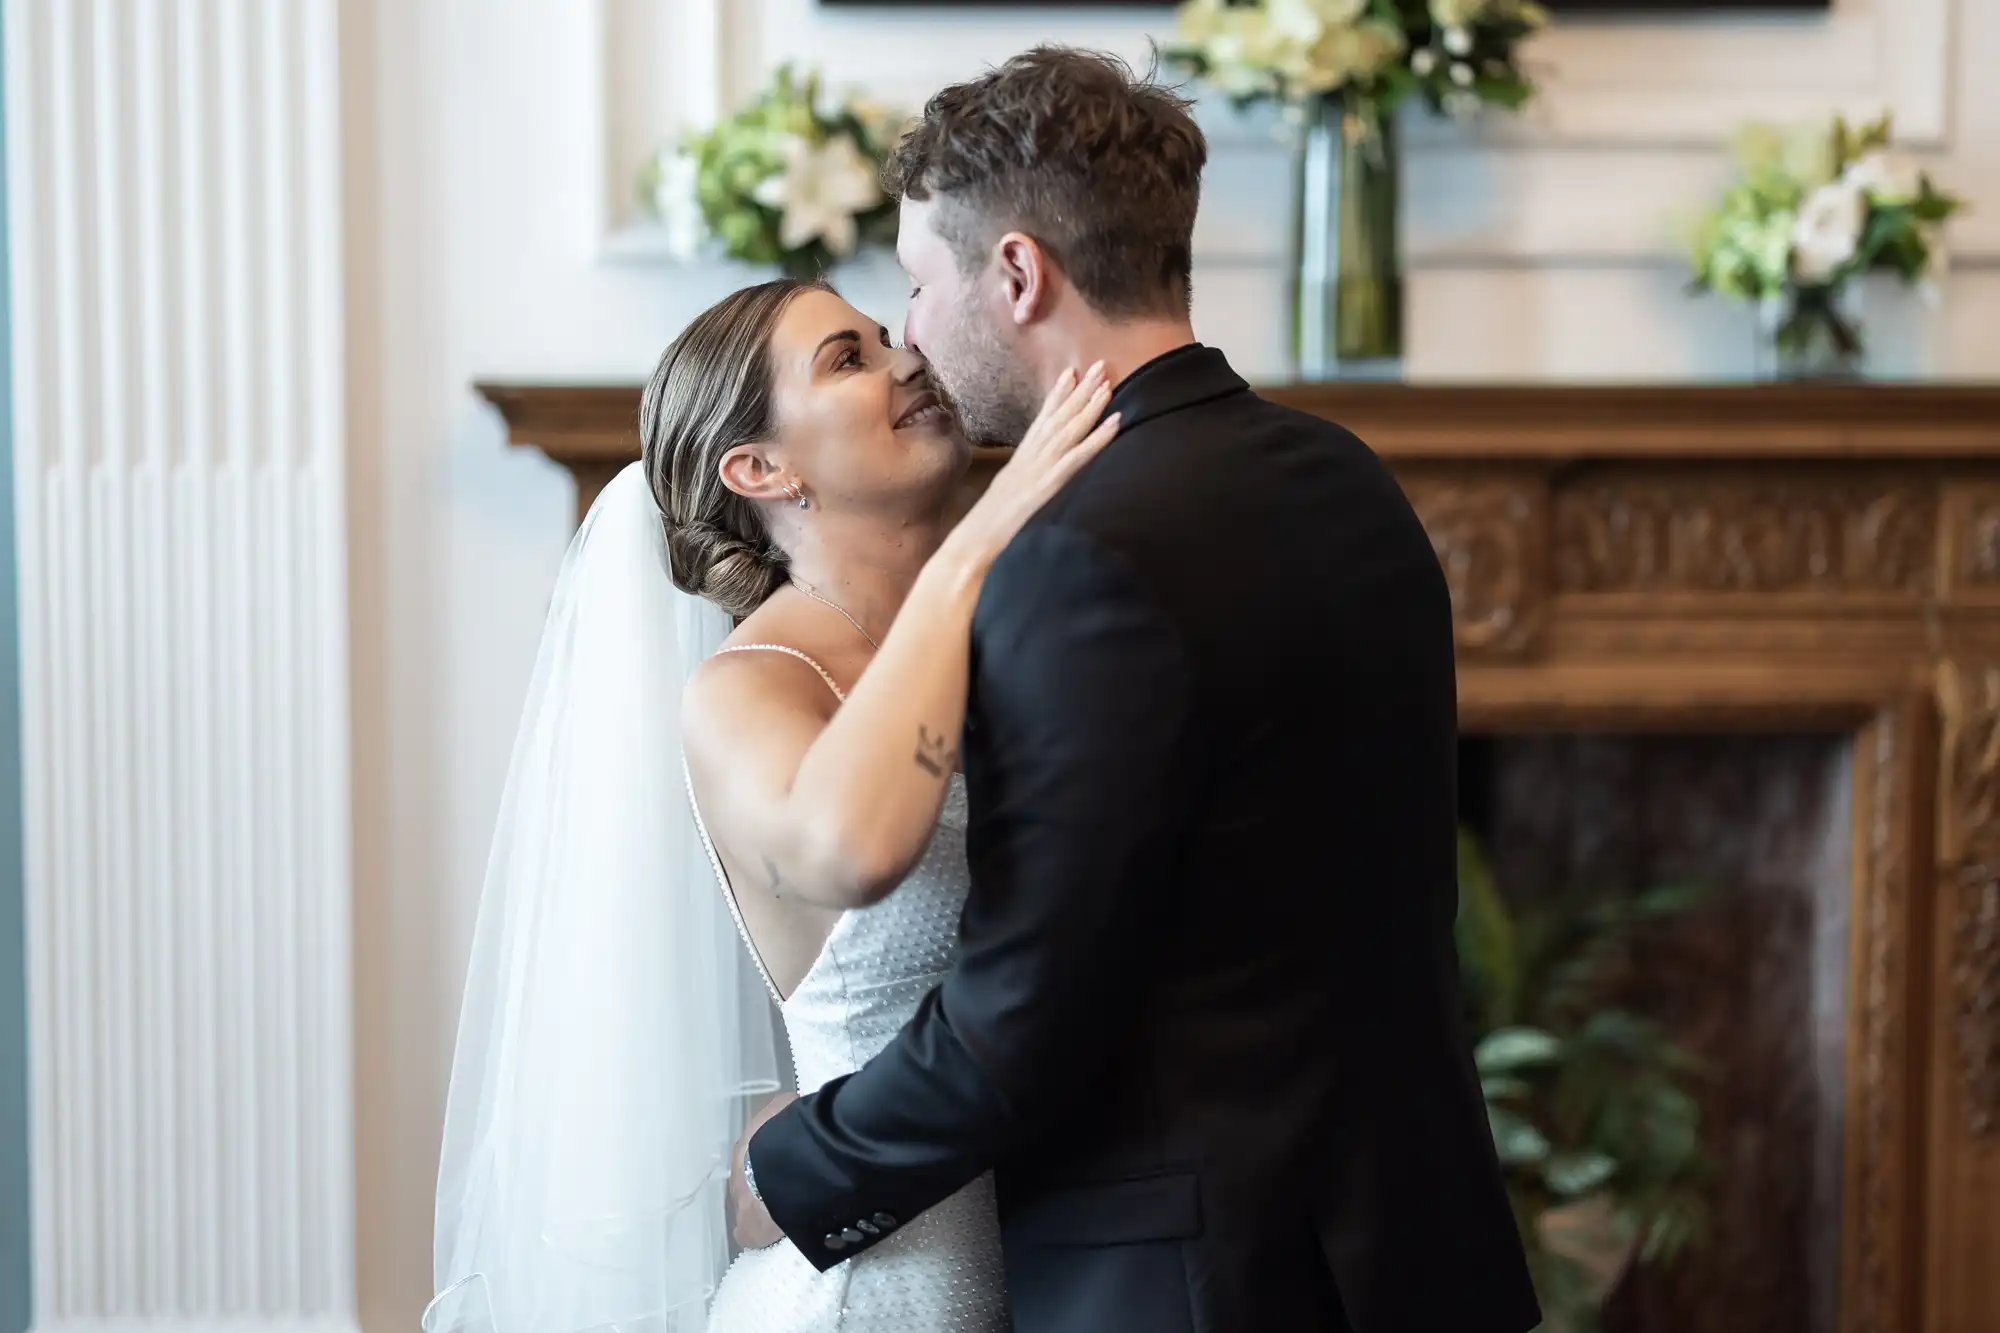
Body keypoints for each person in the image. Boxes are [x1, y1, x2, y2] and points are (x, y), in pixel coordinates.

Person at [726, 46, 1542, 1333]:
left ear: (1015, 274)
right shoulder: (1349, 481)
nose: (916, 340)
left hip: (1193, 1284)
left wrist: (789, 1170)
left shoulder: (1071, 560)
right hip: (1416, 1256)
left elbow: (1018, 1024)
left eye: (921, 287)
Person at [423, 273, 1115, 1333]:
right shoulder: (750, 686)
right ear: (760, 467)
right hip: (872, 1294)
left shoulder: (1007, 631)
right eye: (848, 358)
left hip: (1060, 1264)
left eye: (888, 336)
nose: (905, 359)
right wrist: (979, 539)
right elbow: (850, 847)